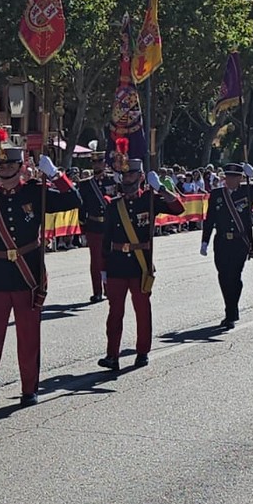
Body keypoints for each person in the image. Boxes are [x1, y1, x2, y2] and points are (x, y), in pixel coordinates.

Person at [0, 145, 80, 410]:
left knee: (28, 335)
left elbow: (74, 201)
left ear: (20, 167)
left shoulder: (35, 192)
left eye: (9, 166)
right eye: (1, 166)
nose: (5, 170)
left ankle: (29, 389)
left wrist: (55, 176)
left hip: (27, 274)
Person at [97, 159, 186, 371]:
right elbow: (105, 237)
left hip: (140, 264)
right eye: (125, 175)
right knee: (114, 313)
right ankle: (112, 355)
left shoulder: (150, 200)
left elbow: (178, 209)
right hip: (117, 264)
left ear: (141, 177)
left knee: (142, 311)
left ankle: (143, 351)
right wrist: (102, 268)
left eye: (132, 175)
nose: (128, 179)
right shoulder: (113, 204)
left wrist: (162, 189)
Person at [201, 162, 253, 328]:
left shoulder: (247, 191)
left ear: (241, 178)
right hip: (221, 241)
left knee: (234, 277)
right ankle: (230, 308)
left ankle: (231, 312)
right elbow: (210, 218)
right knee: (223, 276)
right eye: (228, 176)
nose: (230, 180)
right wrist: (204, 240)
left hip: (240, 241)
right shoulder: (217, 194)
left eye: (234, 177)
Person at [78, 142, 114, 304]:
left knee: (109, 258)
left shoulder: (113, 181)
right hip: (93, 226)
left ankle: (109, 288)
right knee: (96, 261)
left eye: (99, 161)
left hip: (110, 226)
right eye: (94, 162)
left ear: (105, 163)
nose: (97, 164)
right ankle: (97, 291)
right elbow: (82, 208)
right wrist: (82, 230)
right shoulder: (85, 184)